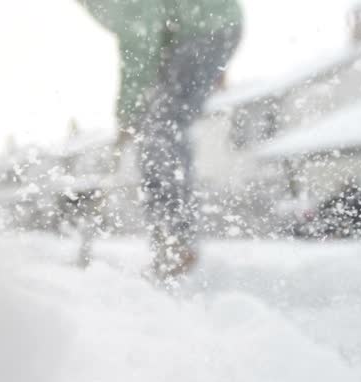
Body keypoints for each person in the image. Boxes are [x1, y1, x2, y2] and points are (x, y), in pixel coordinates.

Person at [77, 0, 243, 281]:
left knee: (160, 129)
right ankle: (170, 243)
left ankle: (176, 242)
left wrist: (128, 111)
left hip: (204, 28)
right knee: (158, 127)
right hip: (200, 29)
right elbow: (156, 24)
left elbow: (141, 39)